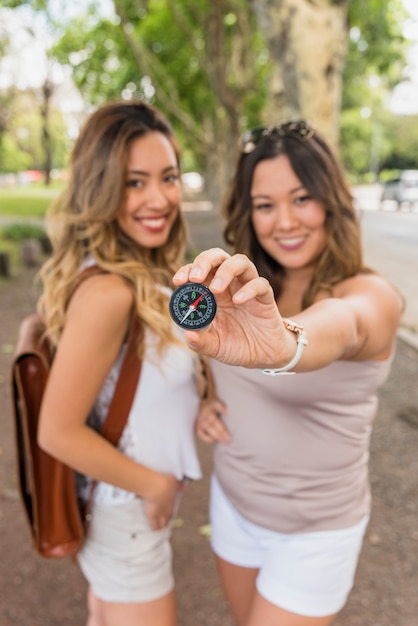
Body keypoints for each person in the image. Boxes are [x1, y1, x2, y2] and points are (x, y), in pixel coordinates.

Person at [172, 120, 403, 626]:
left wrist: (285, 344)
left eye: (302, 199)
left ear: (332, 202)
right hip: (234, 505)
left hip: (317, 533)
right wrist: (207, 397)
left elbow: (341, 326)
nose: (285, 221)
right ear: (248, 214)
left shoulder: (372, 297)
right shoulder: (240, 294)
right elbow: (216, 361)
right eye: (265, 205)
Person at [37, 100, 203, 626]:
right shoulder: (109, 291)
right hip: (127, 513)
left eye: (168, 177)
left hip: (124, 512)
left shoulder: (140, 272)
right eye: (134, 183)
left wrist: (204, 403)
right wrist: (155, 485)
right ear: (102, 189)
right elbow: (56, 432)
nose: (159, 198)